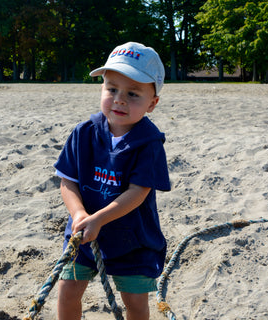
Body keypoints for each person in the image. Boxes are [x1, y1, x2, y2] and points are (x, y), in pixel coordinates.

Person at [54, 42, 170, 320]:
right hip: (82, 233)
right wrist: (80, 214)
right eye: (112, 89)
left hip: (132, 239)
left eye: (132, 93)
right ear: (101, 88)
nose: (119, 99)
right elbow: (67, 182)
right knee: (67, 291)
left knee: (135, 303)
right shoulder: (83, 134)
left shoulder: (148, 143)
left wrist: (100, 219)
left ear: (152, 103)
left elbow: (138, 192)